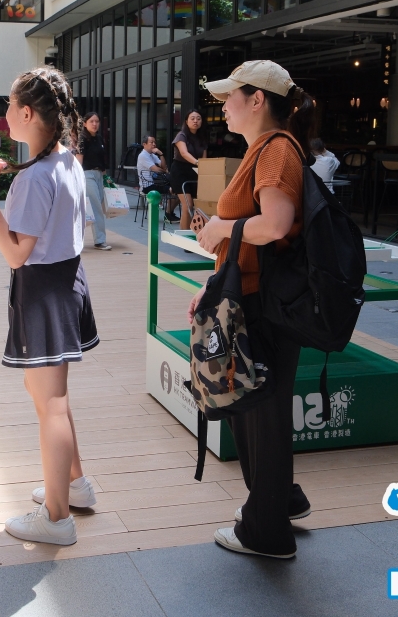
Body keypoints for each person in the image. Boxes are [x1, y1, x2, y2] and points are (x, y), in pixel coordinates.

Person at [0, 68, 99, 546]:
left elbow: (19, 253)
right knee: (53, 397)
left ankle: (56, 518)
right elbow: (42, 235)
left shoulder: (32, 177)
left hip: (41, 293)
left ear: (26, 112)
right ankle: (74, 486)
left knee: (50, 405)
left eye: (8, 105)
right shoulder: (67, 162)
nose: (5, 114)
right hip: (65, 284)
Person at [187, 59, 315, 560]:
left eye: (230, 96)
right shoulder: (267, 148)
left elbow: (275, 225)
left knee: (259, 414)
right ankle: (281, 500)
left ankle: (266, 532)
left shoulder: (275, 149)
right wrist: (215, 282)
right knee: (260, 411)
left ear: (257, 100)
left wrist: (220, 228)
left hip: (263, 307)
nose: (222, 106)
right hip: (252, 299)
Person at [77, 112, 113, 251]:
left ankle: (76, 238)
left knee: (94, 206)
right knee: (96, 206)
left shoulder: (99, 139)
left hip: (99, 174)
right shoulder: (82, 139)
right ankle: (100, 240)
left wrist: (106, 177)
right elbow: (79, 161)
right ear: (85, 123)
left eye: (97, 121)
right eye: (91, 121)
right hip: (87, 175)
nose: (94, 124)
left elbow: (101, 161)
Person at [171, 110, 207, 229]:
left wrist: (204, 167)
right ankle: (184, 236)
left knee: (198, 206)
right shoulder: (181, 135)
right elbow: (184, 153)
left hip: (195, 172)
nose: (195, 121)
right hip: (180, 172)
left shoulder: (202, 138)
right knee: (188, 206)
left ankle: (194, 233)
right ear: (186, 121)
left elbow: (204, 158)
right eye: (192, 118)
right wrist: (198, 163)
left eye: (198, 118)